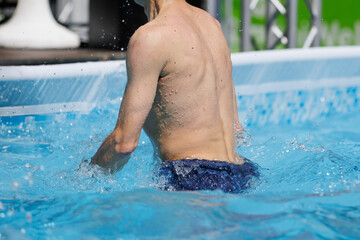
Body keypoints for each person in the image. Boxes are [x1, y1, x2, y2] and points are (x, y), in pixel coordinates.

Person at [90, 0, 259, 192]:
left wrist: (87, 171)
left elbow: (124, 143)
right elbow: (236, 130)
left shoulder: (150, 38)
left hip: (194, 179)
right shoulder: (211, 25)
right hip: (241, 173)